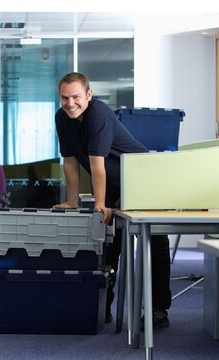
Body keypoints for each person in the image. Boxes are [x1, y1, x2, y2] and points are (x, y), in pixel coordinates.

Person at [53, 72, 171, 328]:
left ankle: (158, 309)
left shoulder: (99, 115)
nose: (70, 103)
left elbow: (97, 164)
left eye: (76, 97)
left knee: (155, 241)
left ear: (89, 94)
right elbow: (70, 162)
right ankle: (102, 307)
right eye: (64, 98)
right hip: (115, 185)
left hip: (143, 180)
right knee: (107, 243)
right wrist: (72, 201)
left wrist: (100, 203)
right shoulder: (62, 118)